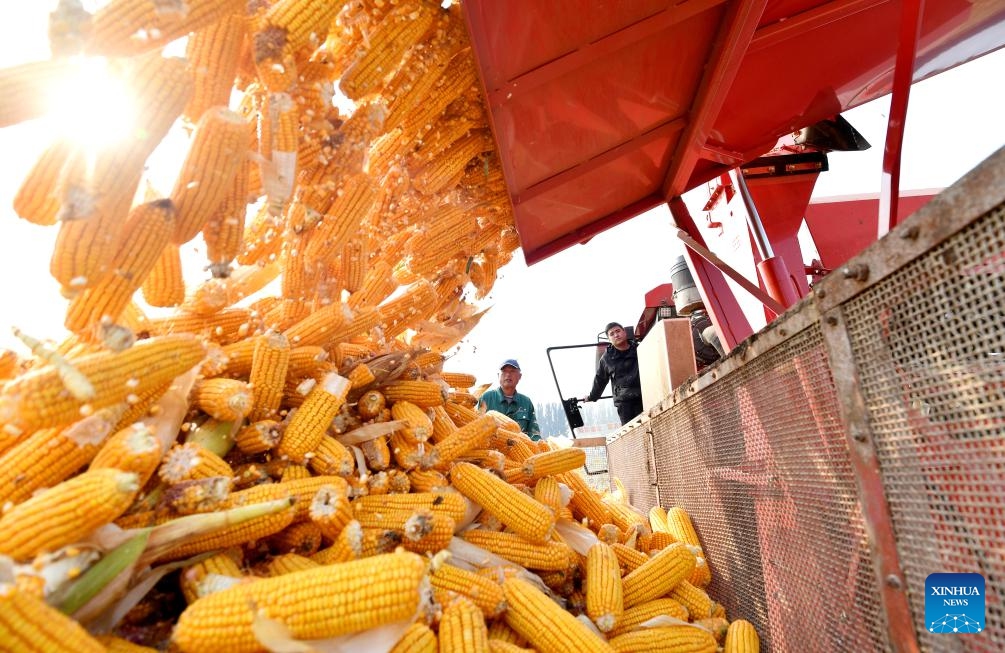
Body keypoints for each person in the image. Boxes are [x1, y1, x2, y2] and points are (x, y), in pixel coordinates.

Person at [582, 322, 643, 425]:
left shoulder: (640, 349)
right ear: (609, 339)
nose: (616, 335)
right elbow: (600, 380)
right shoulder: (606, 359)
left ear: (624, 332)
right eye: (612, 334)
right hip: (625, 403)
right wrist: (592, 396)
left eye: (618, 331)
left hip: (645, 395)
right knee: (633, 436)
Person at [478, 359, 541, 440]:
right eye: (504, 371)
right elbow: (477, 427)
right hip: (493, 450)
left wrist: (538, 446)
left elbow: (534, 433)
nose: (508, 374)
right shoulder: (486, 398)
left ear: (519, 376)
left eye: (512, 371)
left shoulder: (526, 402)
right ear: (498, 375)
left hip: (521, 449)